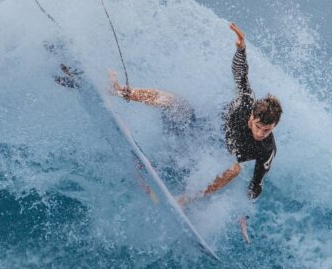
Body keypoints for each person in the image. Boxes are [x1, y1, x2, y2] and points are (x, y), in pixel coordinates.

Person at [109, 22, 282, 204]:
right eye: (258, 127)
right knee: (176, 102)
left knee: (235, 170)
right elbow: (241, 74)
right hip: (192, 132)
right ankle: (120, 91)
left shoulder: (267, 150)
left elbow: (256, 185)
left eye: (267, 130)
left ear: (275, 126)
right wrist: (241, 49)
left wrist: (246, 211)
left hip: (202, 164)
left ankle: (184, 200)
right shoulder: (247, 102)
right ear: (252, 116)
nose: (261, 133)